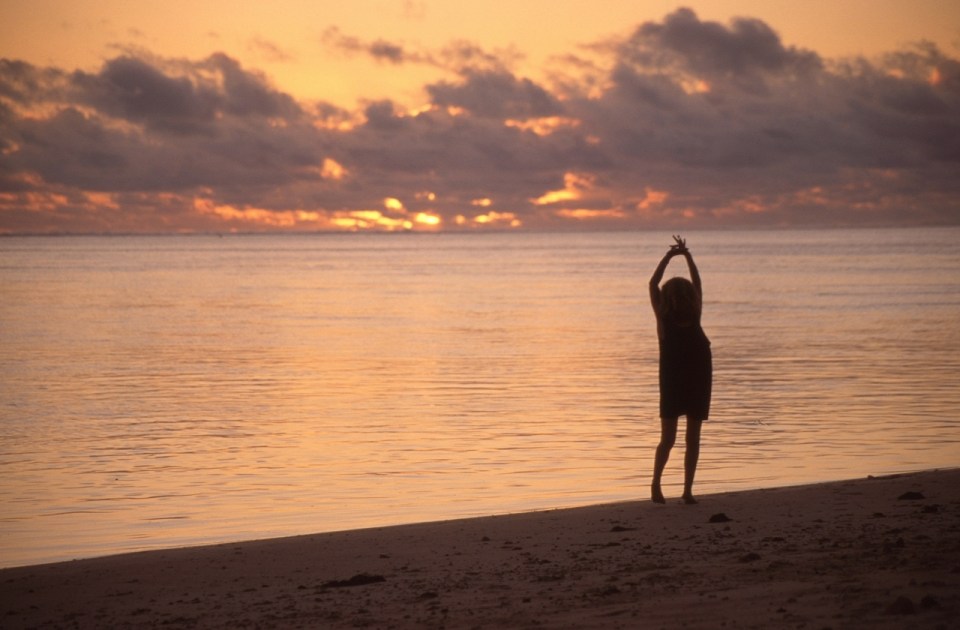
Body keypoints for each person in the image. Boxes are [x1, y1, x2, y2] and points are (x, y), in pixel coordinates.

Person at [649, 235, 712, 504]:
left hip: (688, 378)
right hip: (686, 378)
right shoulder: (673, 317)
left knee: (681, 438)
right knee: (678, 438)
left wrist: (673, 256)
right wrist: (685, 256)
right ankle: (668, 487)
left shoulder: (676, 316)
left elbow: (654, 283)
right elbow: (694, 282)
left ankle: (678, 488)